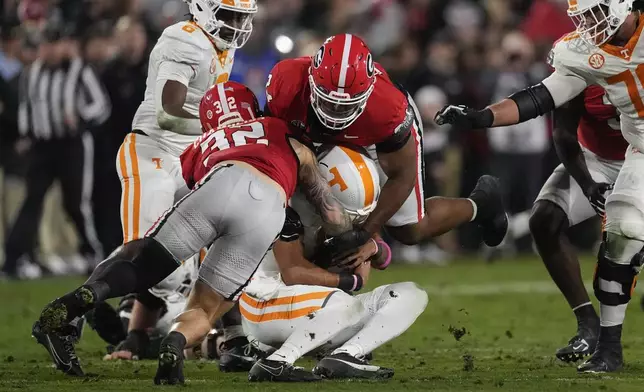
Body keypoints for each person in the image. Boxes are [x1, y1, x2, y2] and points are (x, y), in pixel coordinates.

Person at [32, 81, 356, 385]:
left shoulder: (198, 144)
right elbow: (328, 209)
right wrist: (352, 235)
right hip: (267, 209)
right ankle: (176, 341)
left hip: (215, 187)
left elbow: (190, 192)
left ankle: (83, 297)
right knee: (207, 305)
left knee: (144, 264)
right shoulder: (279, 128)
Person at [435, 0, 643, 373]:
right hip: (606, 158)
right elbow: (540, 101)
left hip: (635, 155)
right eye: (583, 17)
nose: (588, 26)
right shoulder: (580, 56)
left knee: (626, 235)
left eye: (595, 14)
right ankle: (597, 334)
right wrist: (482, 117)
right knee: (564, 224)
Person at [107, 0, 260, 372]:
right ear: (203, 9)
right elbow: (169, 112)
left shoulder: (218, 45)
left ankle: (233, 337)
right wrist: (226, 129)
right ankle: (78, 307)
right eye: (229, 15)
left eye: (242, 16)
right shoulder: (184, 39)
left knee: (216, 233)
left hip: (188, 156)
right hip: (154, 151)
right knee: (152, 256)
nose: (238, 24)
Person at [264, 34, 508, 265]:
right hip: (312, 135)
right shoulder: (286, 82)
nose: (335, 113)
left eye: (345, 105)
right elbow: (274, 146)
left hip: (371, 137)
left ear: (366, 93)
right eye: (328, 100)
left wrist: (364, 234)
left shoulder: (388, 109)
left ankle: (482, 202)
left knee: (409, 229)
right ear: (311, 80)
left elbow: (402, 176)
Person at [243, 145, 428, 382]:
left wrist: (372, 248)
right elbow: (292, 273)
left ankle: (346, 355)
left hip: (318, 311)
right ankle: (277, 361)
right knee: (346, 303)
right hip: (265, 305)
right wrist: (351, 280)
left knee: (411, 293)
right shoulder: (286, 208)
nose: (354, 222)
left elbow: (382, 258)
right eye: (351, 215)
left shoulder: (342, 208)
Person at [4, 21, 109, 278]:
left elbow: (100, 105)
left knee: (75, 203)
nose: (50, 50)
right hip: (42, 146)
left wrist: (80, 117)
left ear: (64, 45)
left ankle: (92, 253)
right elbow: (26, 108)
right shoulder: (33, 73)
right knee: (32, 200)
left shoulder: (79, 70)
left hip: (72, 144)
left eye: (55, 44)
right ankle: (16, 258)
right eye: (46, 44)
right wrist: (27, 133)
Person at [530, 84, 626, 362]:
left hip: (639, 157)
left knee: (628, 243)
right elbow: (562, 131)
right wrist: (586, 183)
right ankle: (588, 323)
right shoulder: (581, 61)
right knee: (545, 219)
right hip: (594, 159)